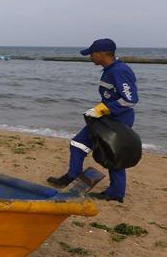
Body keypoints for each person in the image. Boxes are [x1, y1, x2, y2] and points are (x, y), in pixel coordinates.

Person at [47, 38, 138, 202]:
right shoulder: (109, 69)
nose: (90, 57)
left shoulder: (120, 71)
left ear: (102, 54)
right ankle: (72, 175)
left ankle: (116, 193)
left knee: (113, 154)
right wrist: (99, 111)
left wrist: (102, 109)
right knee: (77, 144)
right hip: (105, 118)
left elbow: (130, 100)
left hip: (118, 121)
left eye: (92, 54)